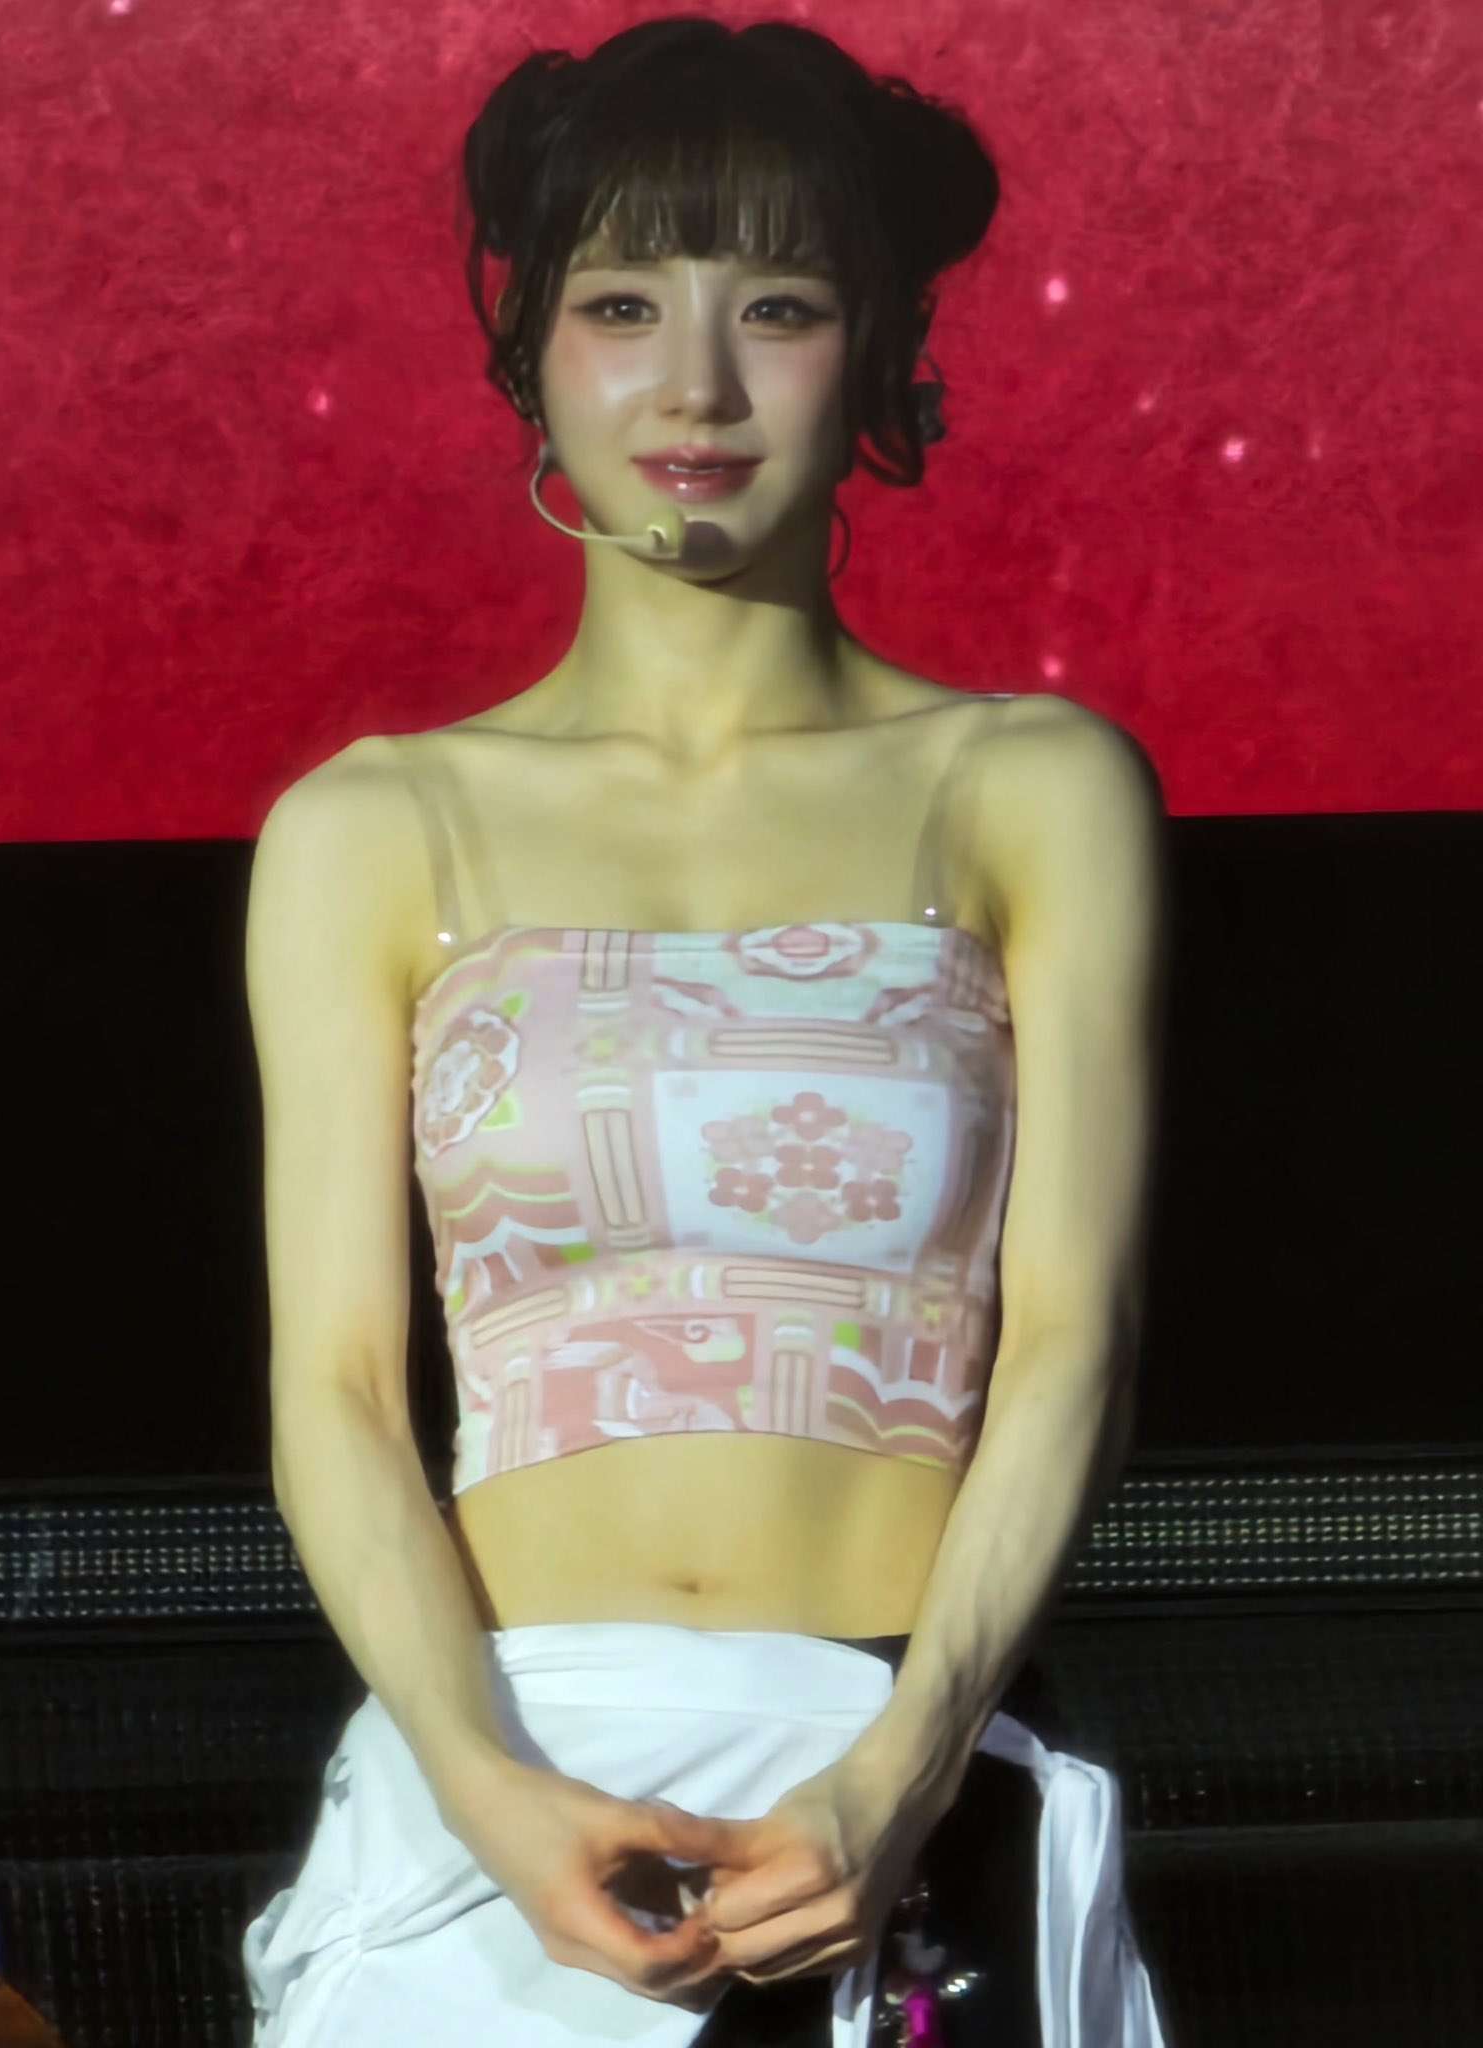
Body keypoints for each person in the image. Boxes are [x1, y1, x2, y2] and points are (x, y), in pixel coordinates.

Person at [240, 18, 1173, 2046]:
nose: (695, 385)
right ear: (532, 354)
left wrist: (902, 1771)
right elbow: (340, 1385)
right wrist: (488, 1794)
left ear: (880, 345)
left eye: (779, 306)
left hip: (892, 1777)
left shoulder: (1029, 789)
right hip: (505, 1815)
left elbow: (1073, 1339)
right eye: (621, 305)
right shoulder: (373, 827)